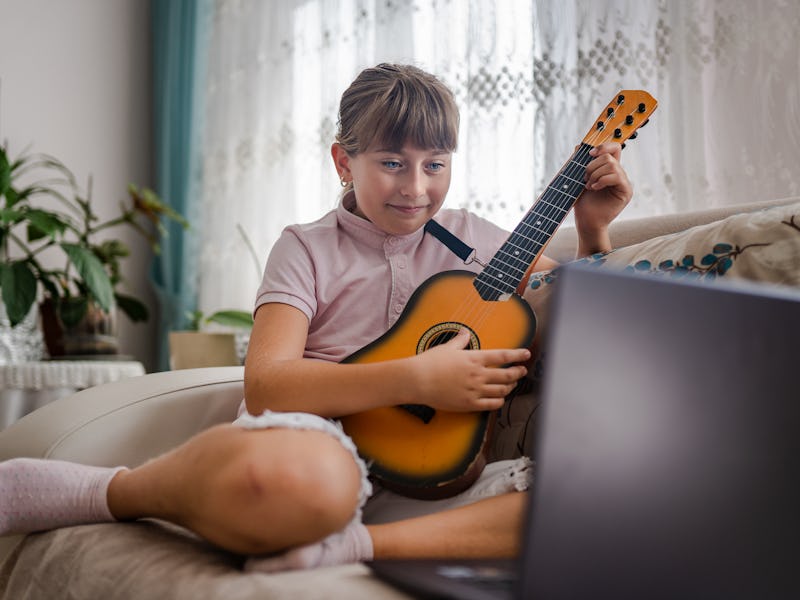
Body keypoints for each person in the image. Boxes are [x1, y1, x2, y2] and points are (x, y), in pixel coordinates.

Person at [0, 63, 632, 571]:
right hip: (316, 440)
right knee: (301, 488)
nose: (416, 186)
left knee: (603, 500)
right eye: (392, 163)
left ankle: (352, 547)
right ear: (342, 162)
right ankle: (110, 491)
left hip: (438, 473)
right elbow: (268, 383)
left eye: (435, 164)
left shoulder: (481, 241)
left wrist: (593, 229)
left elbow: (587, 322)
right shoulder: (304, 247)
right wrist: (416, 379)